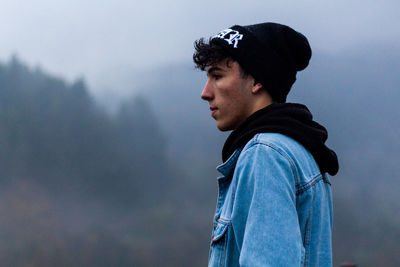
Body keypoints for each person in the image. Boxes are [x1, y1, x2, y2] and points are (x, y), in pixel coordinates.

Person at [193, 22, 339, 267]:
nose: (205, 93)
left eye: (217, 76)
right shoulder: (301, 149)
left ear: (256, 81)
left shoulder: (265, 155)